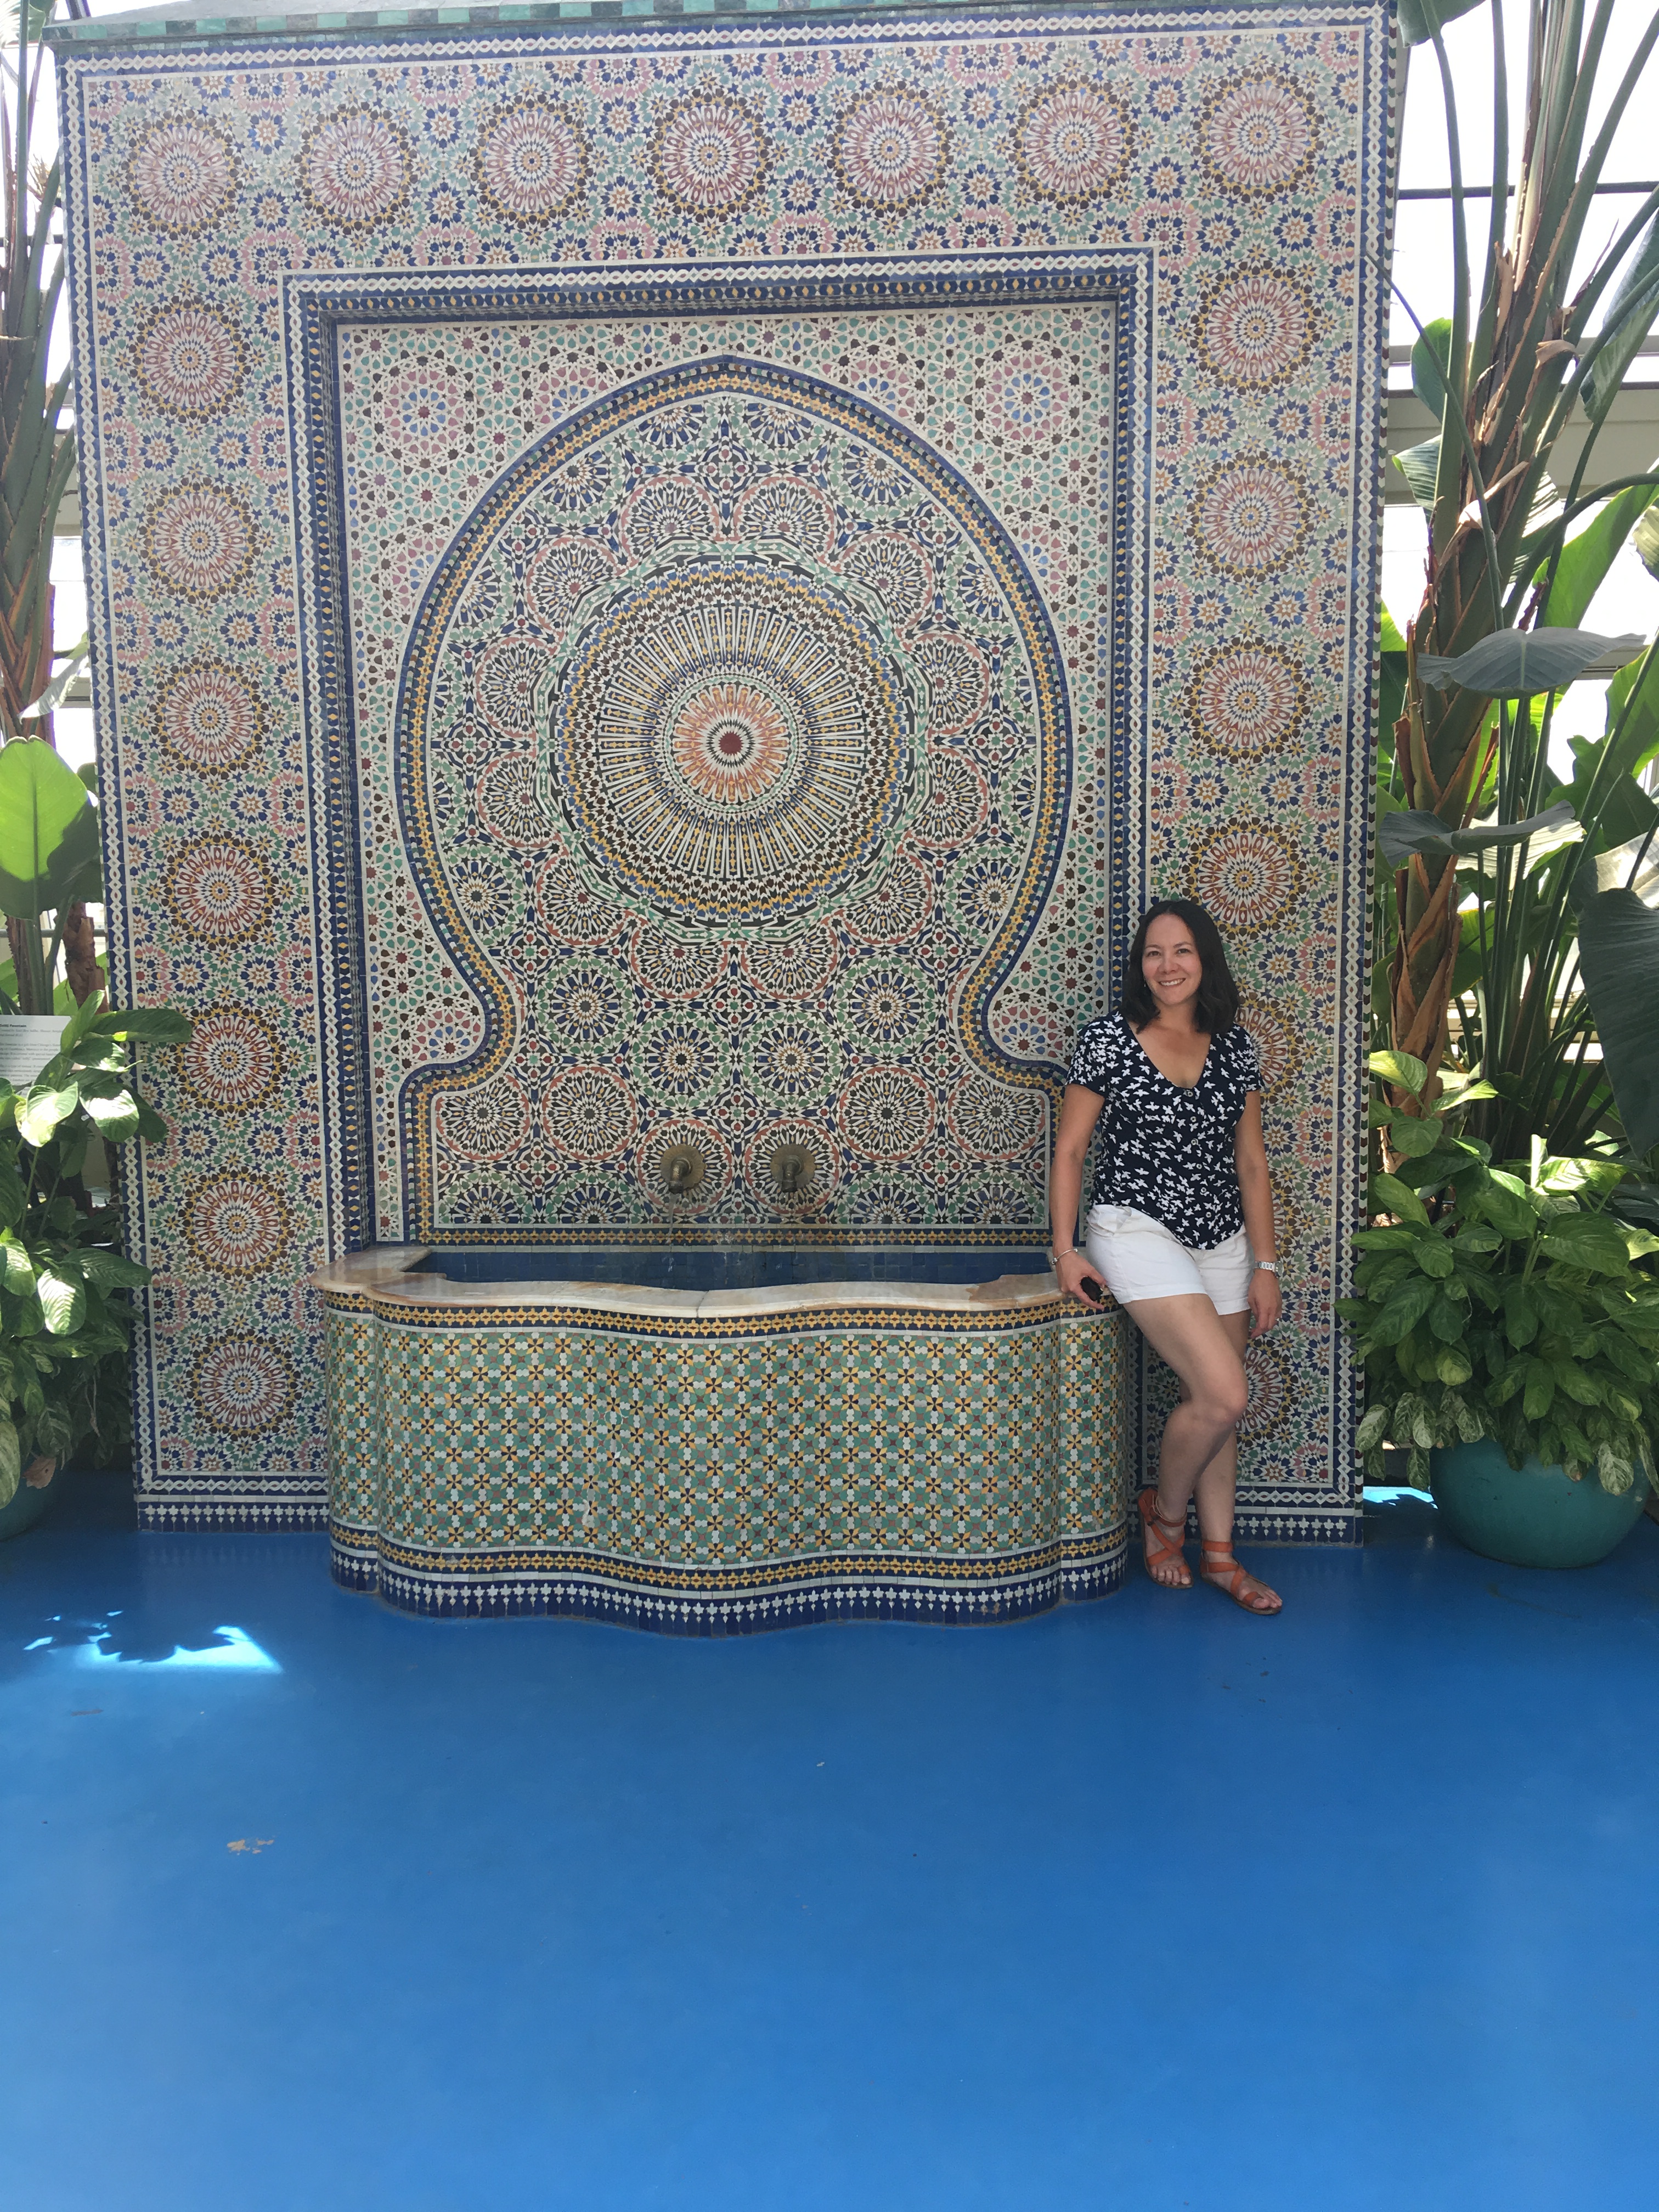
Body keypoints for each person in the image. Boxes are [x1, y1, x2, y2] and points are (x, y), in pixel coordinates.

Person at [1049, 898, 1283, 1615]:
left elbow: (1251, 1163)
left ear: (1205, 960)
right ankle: (1165, 1518)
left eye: (1182, 951)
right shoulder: (1107, 1040)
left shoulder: (1234, 1047)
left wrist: (1266, 1265)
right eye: (1154, 953)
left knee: (1216, 1408)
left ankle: (1220, 1557)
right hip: (1134, 1227)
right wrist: (1066, 1251)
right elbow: (1071, 1150)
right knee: (1227, 1392)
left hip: (1222, 1237)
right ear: (1140, 965)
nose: (1167, 965)